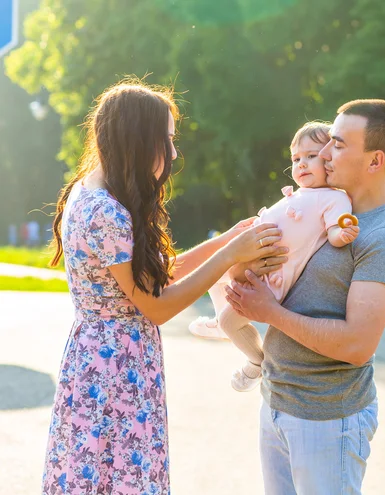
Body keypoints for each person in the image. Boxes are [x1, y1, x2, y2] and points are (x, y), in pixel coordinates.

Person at [41, 80, 287, 495]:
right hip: (115, 370)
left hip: (100, 359)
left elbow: (154, 276)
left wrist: (227, 238)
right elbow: (156, 306)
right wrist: (228, 257)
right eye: (167, 140)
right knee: (121, 479)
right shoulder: (107, 213)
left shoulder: (89, 193)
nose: (173, 153)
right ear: (137, 138)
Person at [225, 99, 385, 494]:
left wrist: (269, 311)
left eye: (339, 144)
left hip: (328, 421)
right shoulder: (323, 209)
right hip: (277, 403)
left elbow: (355, 344)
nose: (325, 153)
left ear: (375, 161)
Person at [189, 122, 359, 391]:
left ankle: (256, 362)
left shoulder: (333, 198)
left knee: (230, 320)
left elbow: (336, 229)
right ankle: (221, 317)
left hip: (272, 277)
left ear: (329, 159)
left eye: (311, 156)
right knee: (212, 270)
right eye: (296, 159)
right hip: (254, 260)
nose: (302, 164)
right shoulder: (300, 194)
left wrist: (343, 234)